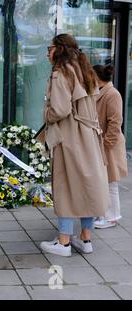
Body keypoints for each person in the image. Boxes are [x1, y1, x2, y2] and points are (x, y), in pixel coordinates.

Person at [39, 34, 109, 257]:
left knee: (66, 187)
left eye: (49, 48)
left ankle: (64, 242)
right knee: (88, 185)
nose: (47, 53)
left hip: (69, 136)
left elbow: (60, 110)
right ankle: (85, 239)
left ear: (59, 49)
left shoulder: (61, 74)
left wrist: (46, 115)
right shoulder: (84, 70)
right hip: (88, 135)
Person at [93, 65, 128, 228]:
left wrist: (106, 143)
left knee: (111, 182)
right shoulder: (99, 91)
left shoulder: (112, 94)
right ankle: (103, 214)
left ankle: (112, 216)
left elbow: (115, 123)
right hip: (102, 143)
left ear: (96, 77)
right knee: (103, 181)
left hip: (109, 145)